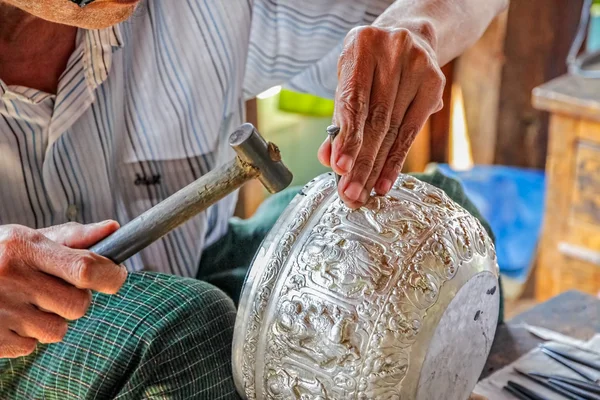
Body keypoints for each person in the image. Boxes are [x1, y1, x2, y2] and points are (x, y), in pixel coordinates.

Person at [0, 0, 507, 398]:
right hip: (20, 343)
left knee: (431, 216)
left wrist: (417, 26)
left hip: (193, 270)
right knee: (184, 333)